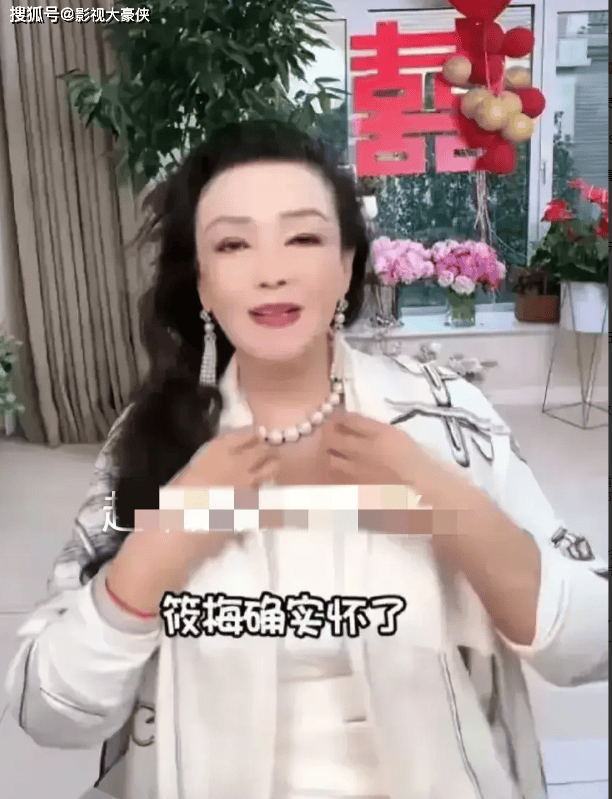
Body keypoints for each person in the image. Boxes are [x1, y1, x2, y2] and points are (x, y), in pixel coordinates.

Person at [5, 120, 608, 799]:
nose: (272, 272)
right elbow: (48, 708)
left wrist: (450, 508)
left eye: (303, 238)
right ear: (202, 283)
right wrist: (159, 548)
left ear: (346, 265)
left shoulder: (446, 416)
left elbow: (589, 642)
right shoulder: (153, 441)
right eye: (233, 244)